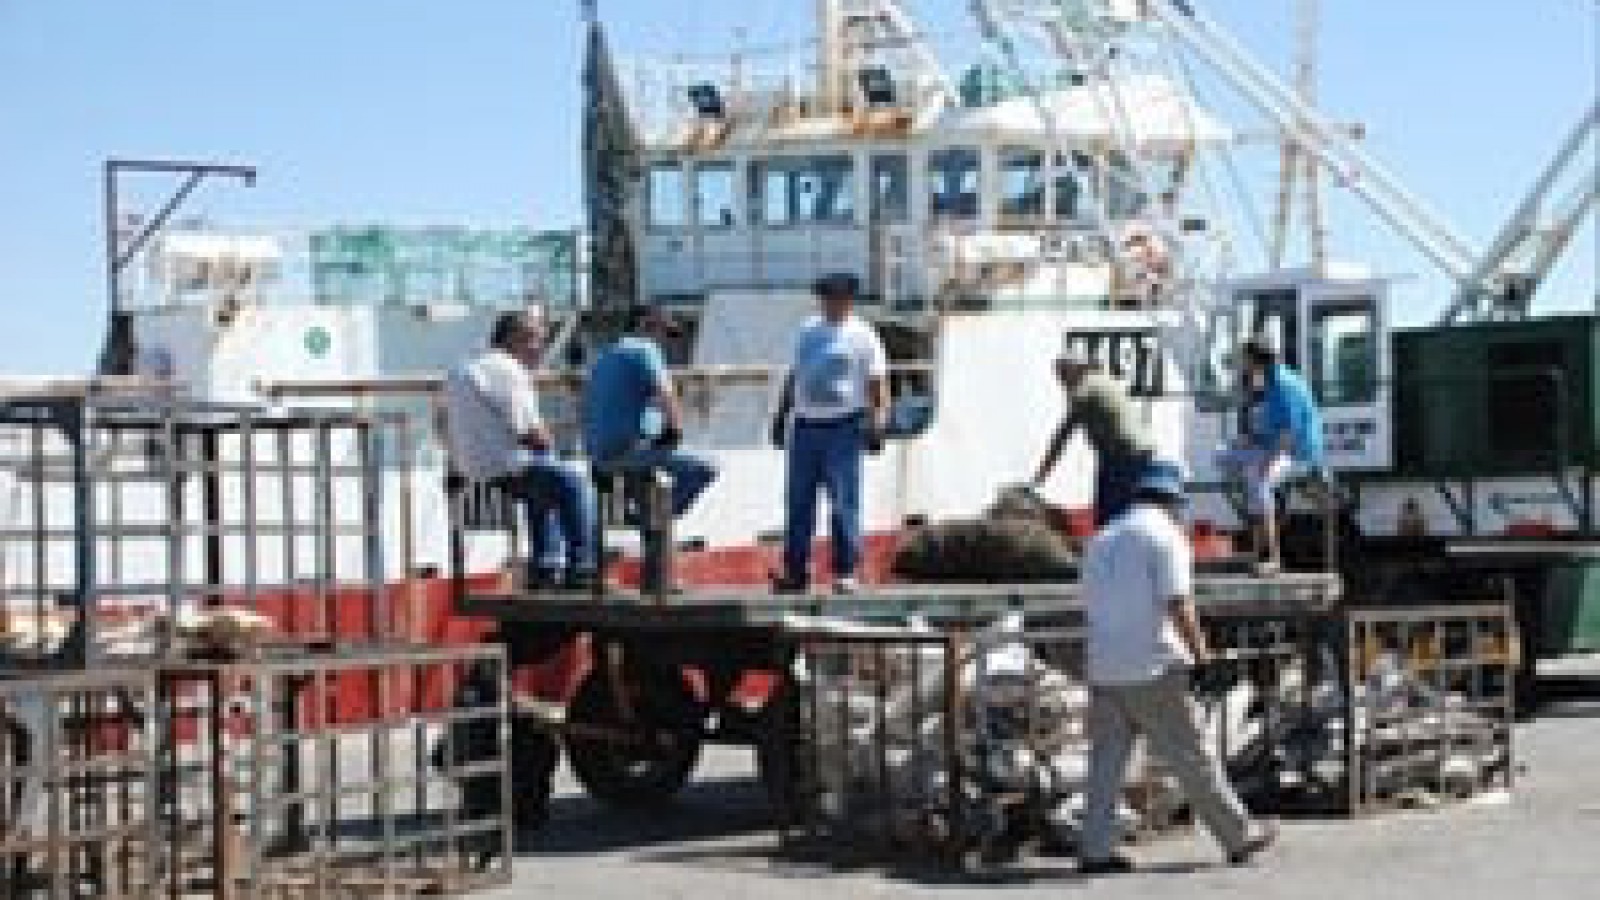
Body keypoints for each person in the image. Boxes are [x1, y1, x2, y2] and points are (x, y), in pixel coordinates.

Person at [1079, 462, 1277, 874]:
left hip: (1103, 664)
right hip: (1154, 665)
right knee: (1193, 755)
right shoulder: (1165, 538)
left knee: (1105, 763)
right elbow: (1178, 603)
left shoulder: (1100, 540)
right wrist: (1203, 657)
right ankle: (1238, 836)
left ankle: (1095, 849)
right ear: (1173, 501)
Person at [443, 309, 600, 590]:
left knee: (546, 479)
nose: (539, 349)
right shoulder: (507, 369)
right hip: (505, 465)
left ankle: (547, 566)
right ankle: (582, 570)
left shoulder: (461, 366)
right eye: (535, 340)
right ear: (514, 338)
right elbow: (529, 432)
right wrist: (548, 443)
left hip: (469, 466)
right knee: (576, 483)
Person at [582, 304, 719, 590]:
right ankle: (652, 519)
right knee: (706, 467)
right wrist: (675, 430)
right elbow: (666, 394)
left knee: (650, 487)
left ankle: (655, 577)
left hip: (602, 453)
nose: (664, 342)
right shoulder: (644, 349)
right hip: (626, 452)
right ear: (645, 325)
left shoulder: (605, 355)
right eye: (663, 333)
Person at [770, 273, 889, 595]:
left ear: (849, 300)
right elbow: (795, 374)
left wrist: (877, 423)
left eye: (835, 298)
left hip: (844, 425)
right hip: (806, 425)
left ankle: (845, 570)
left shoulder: (863, 336)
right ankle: (796, 571)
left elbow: (877, 382)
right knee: (798, 501)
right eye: (825, 297)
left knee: (843, 502)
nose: (829, 303)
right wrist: (782, 415)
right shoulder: (807, 330)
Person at [1215, 334, 1325, 573]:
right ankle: (1252, 514)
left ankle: (1272, 558)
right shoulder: (1268, 380)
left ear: (1256, 360)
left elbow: (1288, 434)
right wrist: (1246, 442)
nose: (1242, 363)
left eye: (1245, 358)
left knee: (1260, 480)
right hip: (1275, 447)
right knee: (1222, 455)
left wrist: (1265, 461)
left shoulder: (1284, 385)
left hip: (1299, 454)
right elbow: (1269, 430)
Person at [1032, 345, 1155, 529]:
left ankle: (1109, 551)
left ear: (1075, 370)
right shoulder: (1102, 380)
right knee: (1122, 510)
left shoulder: (1084, 389)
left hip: (1123, 456)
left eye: (1063, 374)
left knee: (1110, 515)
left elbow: (1063, 435)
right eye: (1059, 376)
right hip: (1136, 453)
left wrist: (1041, 474)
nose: (1061, 381)